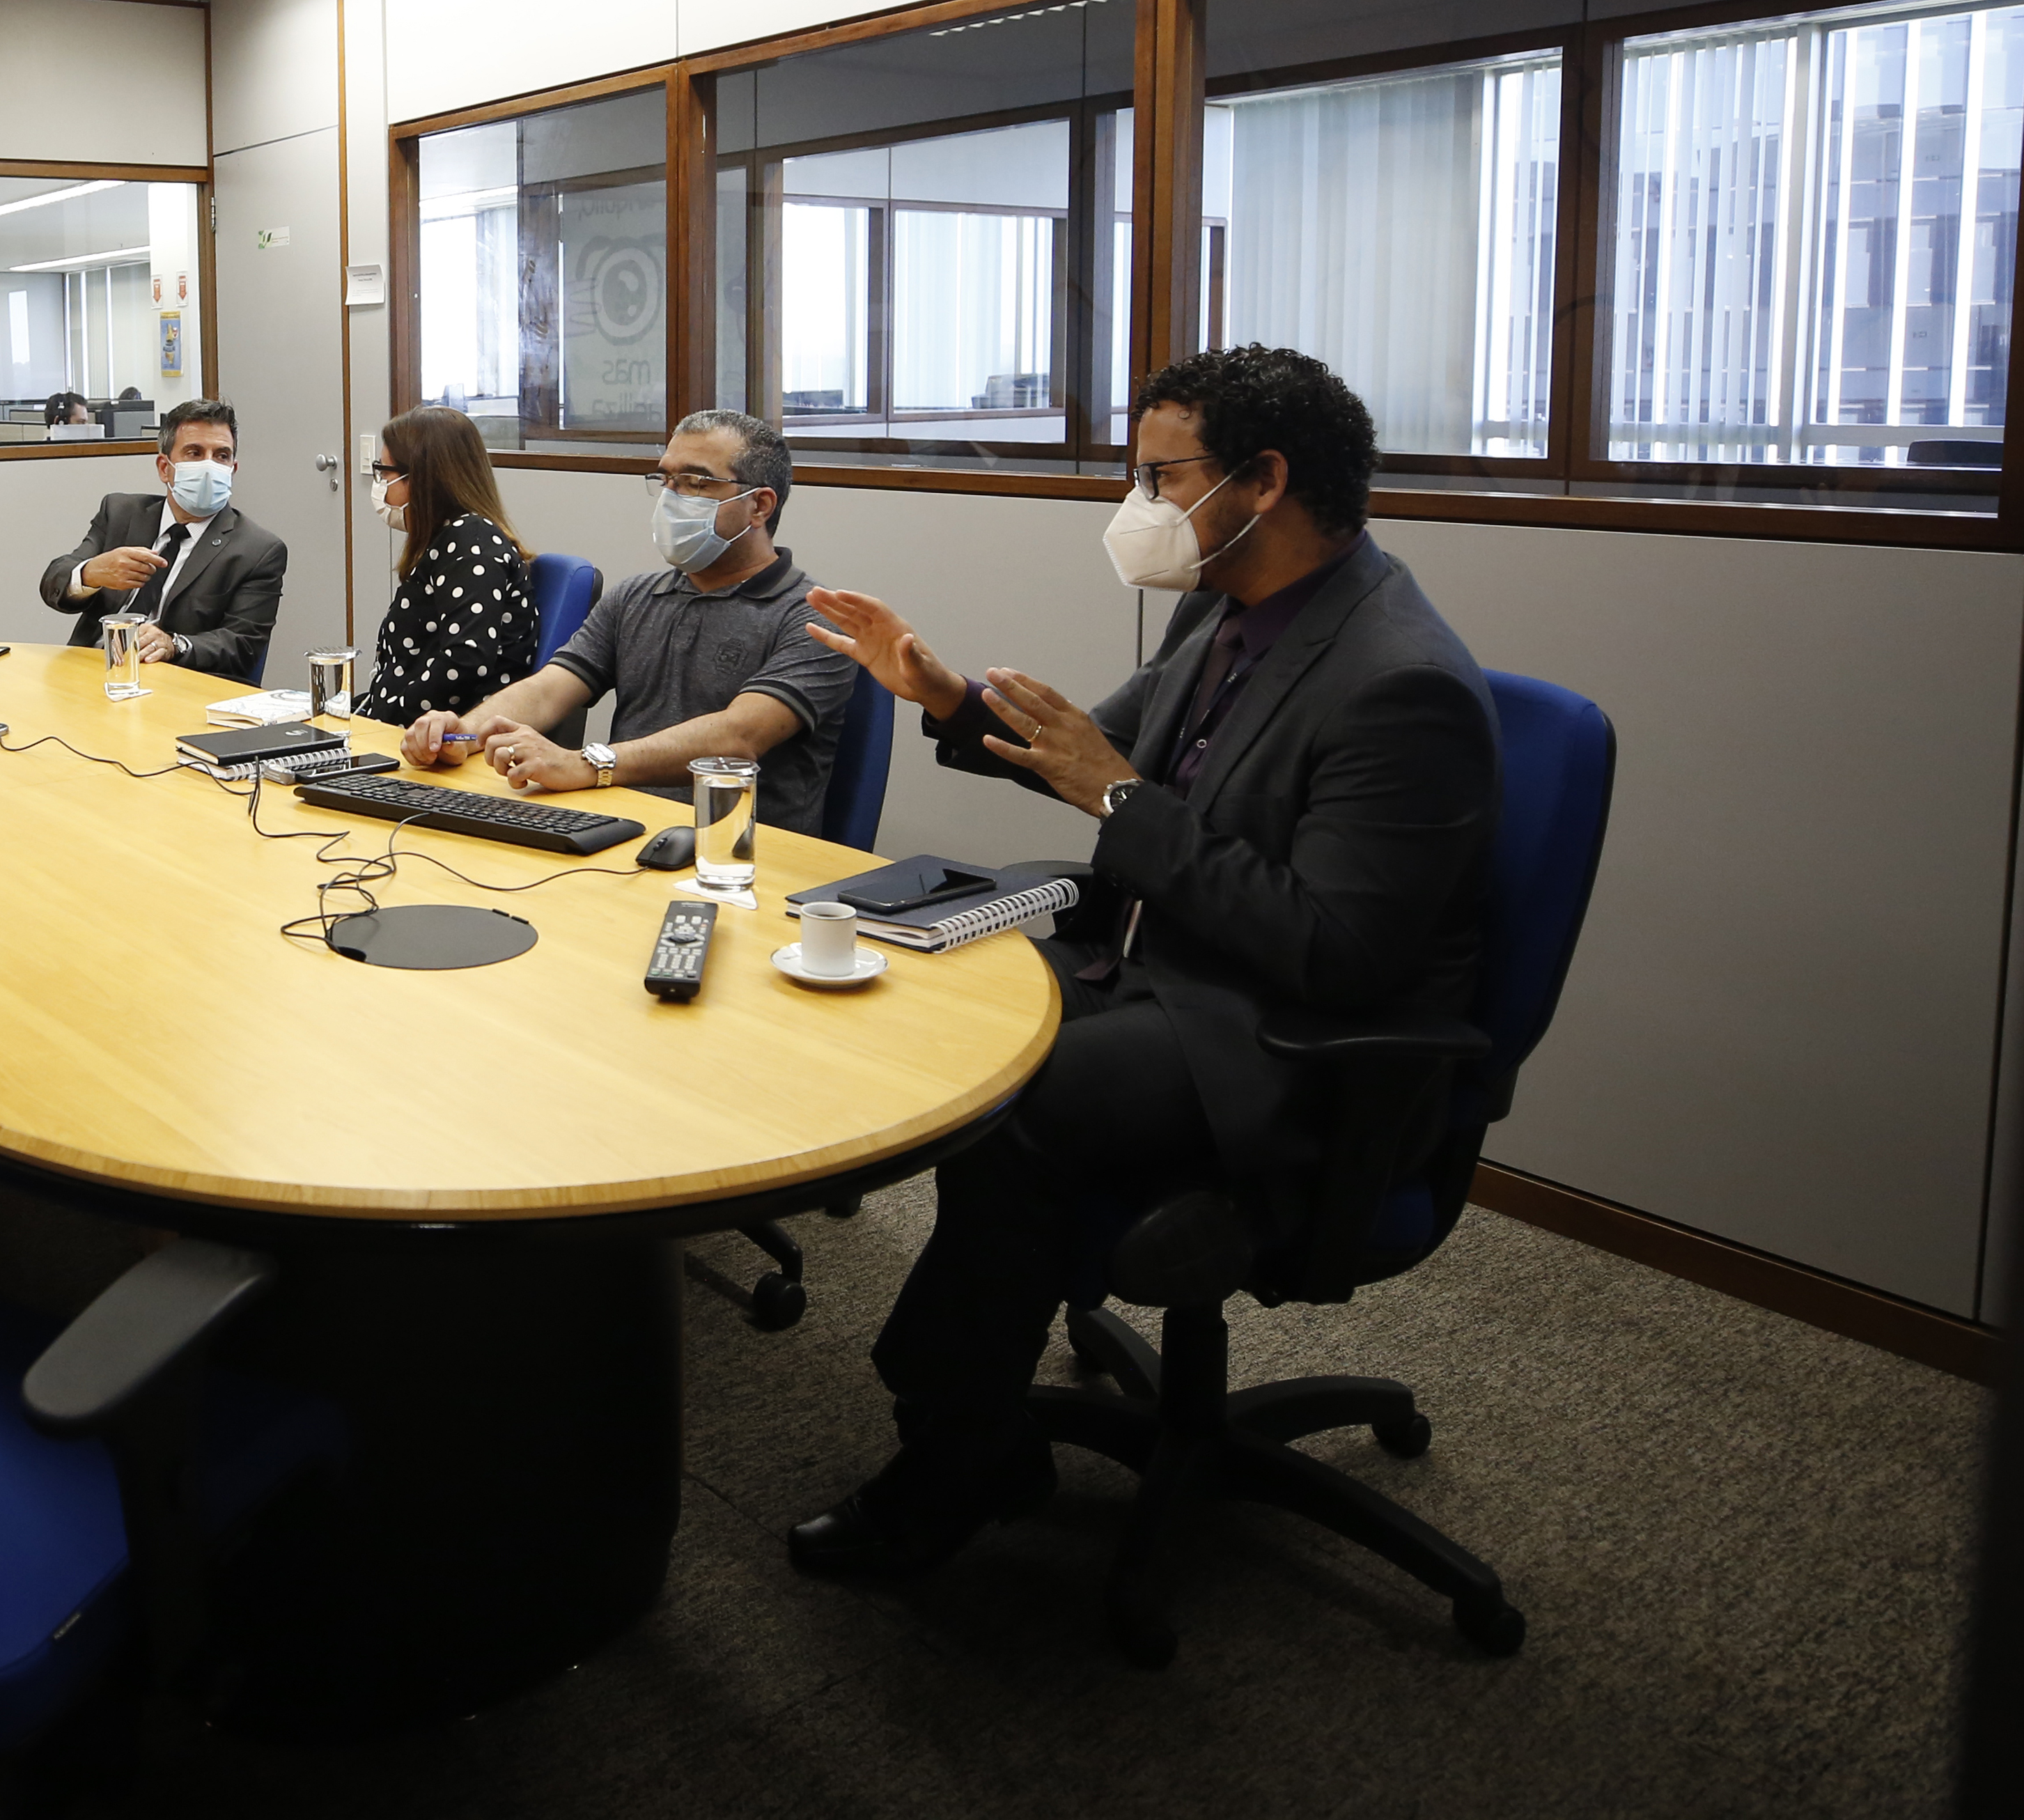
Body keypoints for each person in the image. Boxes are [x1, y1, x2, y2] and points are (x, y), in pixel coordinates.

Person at [784, 345, 1495, 1581]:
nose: (1139, 503)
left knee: (1011, 1100)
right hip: (1158, 965)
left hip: (1281, 1038)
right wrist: (947, 696)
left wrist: (1118, 797)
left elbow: (1332, 949)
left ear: (1263, 480)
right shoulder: (1223, 606)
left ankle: (957, 1447)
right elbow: (1092, 750)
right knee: (933, 1013)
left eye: (1162, 476)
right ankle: (978, 1389)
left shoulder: (1401, 683)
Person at [399, 410, 851, 836]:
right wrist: (464, 733)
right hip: (624, 830)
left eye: (695, 482)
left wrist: (587, 763)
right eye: (666, 479)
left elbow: (738, 737)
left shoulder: (813, 617)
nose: (673, 496)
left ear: (759, 506)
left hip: (738, 853)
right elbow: (548, 690)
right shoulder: (636, 596)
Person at [37, 398, 286, 683]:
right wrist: (91, 572)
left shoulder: (257, 550)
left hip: (176, 686)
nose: (209, 466)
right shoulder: (121, 513)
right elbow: (53, 583)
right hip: (89, 673)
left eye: (221, 456)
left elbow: (242, 645)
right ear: (164, 468)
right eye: (194, 453)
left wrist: (173, 644)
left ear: (233, 469)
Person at [354, 405, 536, 724]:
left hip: (440, 736)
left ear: (423, 479)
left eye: (386, 474)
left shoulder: (472, 543)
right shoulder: (450, 539)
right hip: (408, 726)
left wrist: (383, 721)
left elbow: (465, 660)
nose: (381, 486)